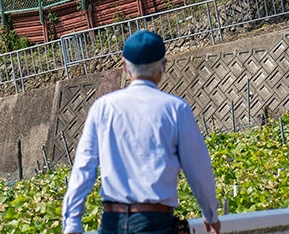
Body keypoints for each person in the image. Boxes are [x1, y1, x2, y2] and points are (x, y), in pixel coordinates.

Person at [62, 29, 220, 234]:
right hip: (155, 221)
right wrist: (210, 215)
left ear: (124, 66)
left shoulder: (103, 108)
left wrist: (72, 223)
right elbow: (199, 170)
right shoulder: (175, 109)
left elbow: (84, 168)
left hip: (112, 222)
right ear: (162, 67)